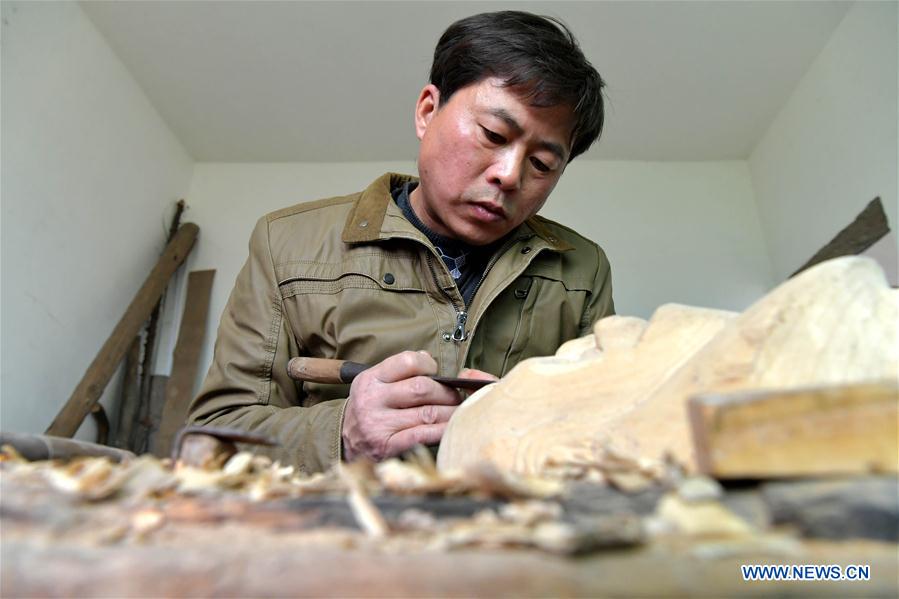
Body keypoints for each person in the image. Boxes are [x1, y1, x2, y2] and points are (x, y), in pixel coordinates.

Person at [189, 10, 614, 473]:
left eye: (543, 165)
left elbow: (609, 441)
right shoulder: (286, 243)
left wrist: (531, 428)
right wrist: (343, 435)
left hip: (501, 536)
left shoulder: (582, 270)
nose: (509, 175)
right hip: (334, 535)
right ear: (427, 111)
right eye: (493, 135)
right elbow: (213, 438)